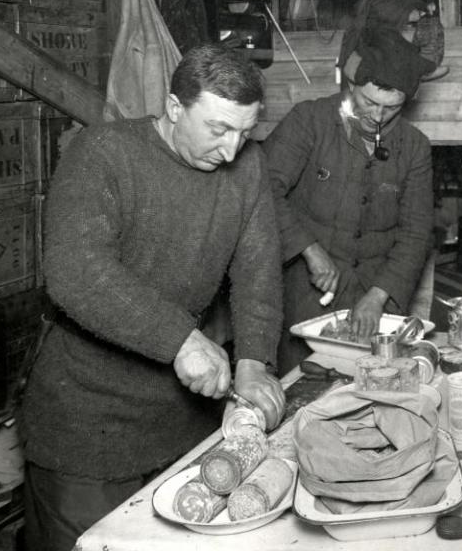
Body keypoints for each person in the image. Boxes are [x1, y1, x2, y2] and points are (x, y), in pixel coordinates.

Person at [18, 44, 287, 551]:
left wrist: (253, 362)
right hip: (84, 426)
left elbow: (257, 274)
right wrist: (181, 340)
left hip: (181, 424)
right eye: (218, 129)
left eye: (245, 132)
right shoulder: (103, 152)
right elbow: (76, 271)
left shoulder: (247, 168)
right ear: (173, 107)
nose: (232, 150)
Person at [264, 27, 435, 371]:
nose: (377, 115)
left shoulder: (414, 147)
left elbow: (415, 233)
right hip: (306, 290)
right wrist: (309, 249)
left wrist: (379, 294)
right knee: (304, 382)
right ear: (351, 85)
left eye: (392, 108)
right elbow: (263, 190)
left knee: (377, 381)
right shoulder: (308, 121)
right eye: (369, 102)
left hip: (376, 291)